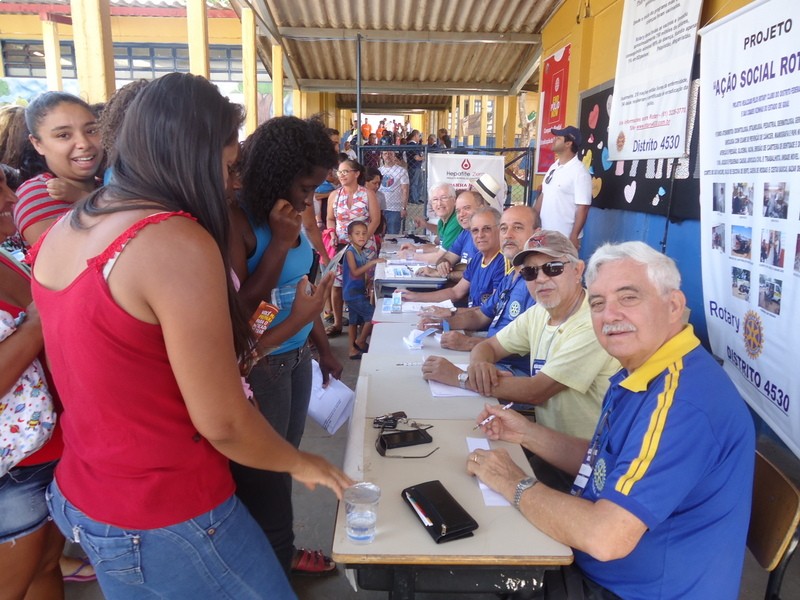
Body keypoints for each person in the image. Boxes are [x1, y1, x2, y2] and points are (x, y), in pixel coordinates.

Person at [30, 73, 351, 599]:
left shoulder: (74, 224)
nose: (231, 183)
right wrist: (301, 462)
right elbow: (221, 418)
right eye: (226, 167)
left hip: (88, 492)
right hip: (165, 506)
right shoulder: (174, 240)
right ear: (192, 157)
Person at [470, 241, 755, 599]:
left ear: (673, 306)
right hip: (602, 567)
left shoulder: (683, 403)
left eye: (629, 297)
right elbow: (606, 464)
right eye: (598, 303)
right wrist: (526, 433)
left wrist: (511, 480)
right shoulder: (645, 370)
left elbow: (606, 538)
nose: (610, 315)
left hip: (632, 589)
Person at [231, 115, 345, 577]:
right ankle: (271, 561)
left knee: (287, 457)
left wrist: (322, 347)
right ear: (276, 174)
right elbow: (240, 310)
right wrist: (278, 243)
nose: (308, 199)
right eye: (305, 187)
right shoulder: (239, 221)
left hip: (296, 357)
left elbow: (303, 289)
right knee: (267, 471)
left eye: (315, 189)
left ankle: (279, 550)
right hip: (261, 366)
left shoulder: (292, 213)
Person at [449, 230, 619, 489]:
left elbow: (537, 391)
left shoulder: (591, 323)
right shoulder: (540, 312)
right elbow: (488, 346)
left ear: (578, 270)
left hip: (585, 468)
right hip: (547, 447)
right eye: (530, 272)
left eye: (553, 268)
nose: (541, 278)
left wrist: (458, 377)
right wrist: (479, 366)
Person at [0, 166, 66, 600]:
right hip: (14, 468)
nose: (11, 197)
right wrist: (39, 321)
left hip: (50, 446)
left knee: (45, 565)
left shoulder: (6, 254)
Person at [418, 205, 537, 373]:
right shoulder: (512, 276)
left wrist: (468, 345)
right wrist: (442, 323)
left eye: (517, 227)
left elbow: (527, 347)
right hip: (488, 356)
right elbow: (481, 314)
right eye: (504, 228)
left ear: (537, 234)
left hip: (511, 370)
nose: (508, 235)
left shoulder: (538, 284)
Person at [14, 92, 104, 246]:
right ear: (37, 144)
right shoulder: (38, 194)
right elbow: (72, 257)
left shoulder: (108, 184)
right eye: (63, 135)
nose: (84, 143)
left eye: (91, 131)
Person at [401, 207, 505, 309]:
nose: (480, 235)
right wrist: (415, 296)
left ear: (500, 229)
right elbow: (455, 292)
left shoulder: (503, 262)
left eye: (487, 229)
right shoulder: (478, 258)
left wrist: (452, 316)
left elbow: (489, 312)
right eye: (475, 230)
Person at [325, 158, 380, 336]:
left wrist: (361, 241)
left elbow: (375, 220)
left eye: (345, 171)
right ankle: (338, 323)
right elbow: (330, 219)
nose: (341, 175)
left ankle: (365, 324)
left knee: (363, 283)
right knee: (337, 284)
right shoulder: (334, 195)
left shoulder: (367, 194)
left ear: (356, 174)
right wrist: (332, 233)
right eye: (339, 172)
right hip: (341, 248)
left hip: (365, 247)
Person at [533, 125, 592, 249]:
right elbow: (544, 195)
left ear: (568, 143)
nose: (554, 140)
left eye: (558, 138)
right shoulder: (554, 167)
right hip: (544, 234)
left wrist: (574, 235)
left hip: (564, 237)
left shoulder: (579, 172)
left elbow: (583, 207)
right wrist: (532, 219)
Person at [412, 189, 484, 282]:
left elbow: (479, 273)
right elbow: (447, 257)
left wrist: (442, 274)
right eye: (458, 211)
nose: (461, 214)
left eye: (467, 208)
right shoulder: (465, 233)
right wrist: (443, 264)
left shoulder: (488, 237)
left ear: (481, 208)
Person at [342, 220, 384, 359]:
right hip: (351, 293)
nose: (361, 236)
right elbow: (355, 272)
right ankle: (360, 341)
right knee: (372, 315)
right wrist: (372, 262)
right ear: (350, 237)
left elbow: (362, 273)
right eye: (357, 233)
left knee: (354, 321)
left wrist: (367, 282)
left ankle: (352, 350)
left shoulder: (361, 251)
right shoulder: (350, 252)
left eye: (364, 233)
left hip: (358, 291)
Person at [412, 182, 462, 249]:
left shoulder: (457, 220)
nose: (439, 203)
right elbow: (441, 237)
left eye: (444, 198)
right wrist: (426, 225)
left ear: (454, 200)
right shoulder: (442, 220)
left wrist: (415, 250)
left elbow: (443, 252)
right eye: (435, 199)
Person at [378, 150, 409, 235]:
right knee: (379, 234)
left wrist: (404, 208)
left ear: (394, 155)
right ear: (382, 156)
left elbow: (405, 190)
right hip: (380, 208)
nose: (387, 155)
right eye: (385, 153)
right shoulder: (378, 171)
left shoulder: (402, 171)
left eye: (390, 153)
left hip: (395, 209)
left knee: (393, 235)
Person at [405, 129, 426, 205]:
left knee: (420, 183)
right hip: (414, 167)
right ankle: (414, 199)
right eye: (419, 136)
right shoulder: (411, 145)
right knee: (415, 183)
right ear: (415, 135)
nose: (419, 138)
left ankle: (417, 198)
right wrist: (424, 157)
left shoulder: (414, 145)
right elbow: (416, 157)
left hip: (417, 166)